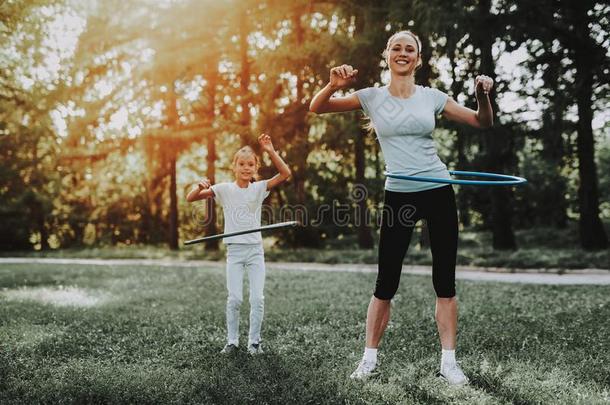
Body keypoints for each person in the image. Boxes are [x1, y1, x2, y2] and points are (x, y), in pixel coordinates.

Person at [309, 30, 494, 385]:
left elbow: (482, 121)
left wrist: (483, 96)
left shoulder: (433, 97)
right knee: (385, 282)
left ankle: (449, 363)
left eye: (410, 49)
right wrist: (332, 85)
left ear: (419, 59)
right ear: (387, 55)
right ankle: (369, 360)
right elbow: (317, 108)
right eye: (397, 47)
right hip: (400, 195)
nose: (403, 53)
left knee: (445, 281)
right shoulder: (371, 97)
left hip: (438, 189)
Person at [186, 134, 291, 355]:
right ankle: (232, 342)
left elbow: (285, 174)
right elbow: (191, 198)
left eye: (250, 164)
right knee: (234, 298)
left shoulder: (260, 188)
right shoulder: (224, 189)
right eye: (241, 164)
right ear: (234, 166)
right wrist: (198, 187)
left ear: (255, 167)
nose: (246, 168)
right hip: (234, 250)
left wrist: (271, 151)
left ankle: (254, 343)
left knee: (257, 298)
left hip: (255, 252)